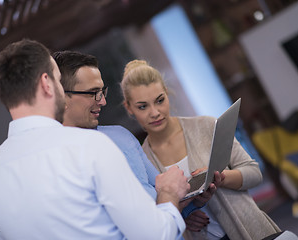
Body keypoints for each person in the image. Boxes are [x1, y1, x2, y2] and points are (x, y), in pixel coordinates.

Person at [0, 39, 191, 240]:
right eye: (59, 80)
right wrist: (169, 193)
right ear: (47, 84)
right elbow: (156, 235)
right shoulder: (88, 146)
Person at [52, 50, 221, 236]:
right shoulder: (63, 163)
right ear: (63, 96)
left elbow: (163, 195)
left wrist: (194, 198)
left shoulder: (120, 135)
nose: (103, 101)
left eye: (102, 92)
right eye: (93, 93)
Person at [120, 59, 283, 240]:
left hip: (251, 230)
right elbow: (155, 218)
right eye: (143, 106)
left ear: (167, 93)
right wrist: (182, 215)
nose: (155, 112)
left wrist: (220, 178)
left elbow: (254, 173)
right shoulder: (141, 162)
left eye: (159, 101)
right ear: (129, 108)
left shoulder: (206, 126)